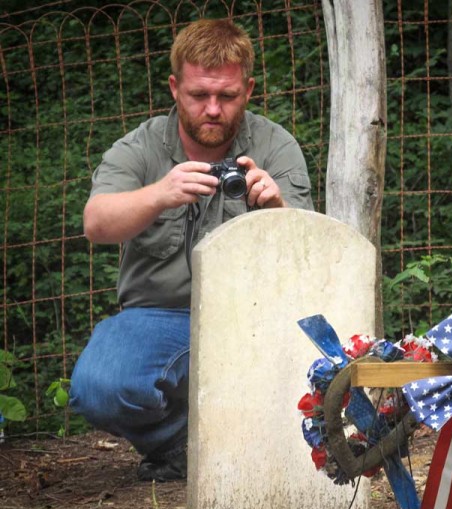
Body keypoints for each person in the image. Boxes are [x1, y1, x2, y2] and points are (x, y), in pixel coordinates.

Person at [69, 18, 313, 482]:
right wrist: (159, 193)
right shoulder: (139, 148)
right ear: (175, 88)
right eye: (200, 95)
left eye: (228, 96)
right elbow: (96, 223)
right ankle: (186, 444)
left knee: (321, 372)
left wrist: (277, 208)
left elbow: (308, 257)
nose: (214, 109)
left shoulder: (275, 145)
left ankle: (250, 441)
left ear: (249, 89)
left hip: (254, 318)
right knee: (98, 387)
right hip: (158, 316)